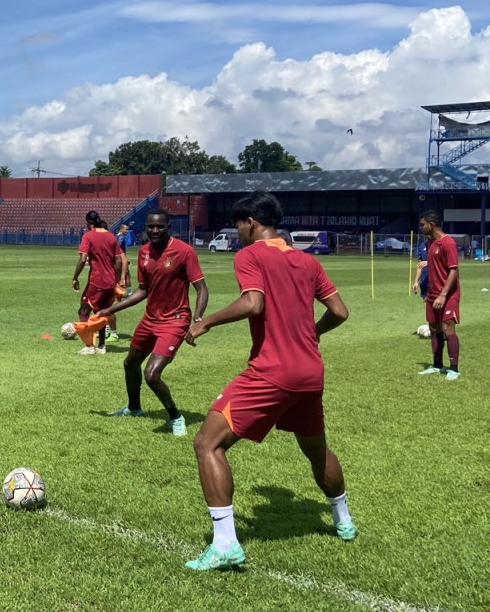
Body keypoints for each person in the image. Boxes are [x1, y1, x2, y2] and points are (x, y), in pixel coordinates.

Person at [183, 191, 354, 571]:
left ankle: (225, 544)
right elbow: (340, 312)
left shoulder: (250, 255)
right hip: (310, 371)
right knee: (315, 449)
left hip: (272, 370)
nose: (239, 233)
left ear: (250, 223)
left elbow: (253, 303)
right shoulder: (307, 261)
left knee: (207, 443)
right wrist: (314, 332)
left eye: (238, 226)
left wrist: (205, 321)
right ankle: (343, 521)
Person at [97, 209, 208, 435]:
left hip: (175, 321)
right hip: (150, 319)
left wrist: (197, 319)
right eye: (151, 227)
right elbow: (142, 291)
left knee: (151, 375)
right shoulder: (144, 252)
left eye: (160, 227)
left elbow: (201, 288)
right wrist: (110, 309)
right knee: (130, 364)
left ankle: (176, 417)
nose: (155, 231)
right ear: (146, 228)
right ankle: (134, 408)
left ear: (169, 228)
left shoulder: (184, 251)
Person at [418, 211, 461, 380]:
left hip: (448, 294)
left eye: (423, 225)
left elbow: (453, 270)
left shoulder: (448, 243)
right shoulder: (430, 243)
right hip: (432, 293)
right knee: (434, 328)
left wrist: (443, 295)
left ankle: (454, 368)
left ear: (432, 225)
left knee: (447, 328)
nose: (421, 228)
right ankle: (436, 365)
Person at [72, 211, 122, 355]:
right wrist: (116, 279)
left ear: (89, 222)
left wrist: (75, 277)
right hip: (110, 281)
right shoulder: (111, 236)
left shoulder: (88, 236)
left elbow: (82, 259)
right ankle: (101, 346)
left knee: (83, 311)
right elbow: (118, 260)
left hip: (97, 280)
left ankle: (89, 346)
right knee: (100, 312)